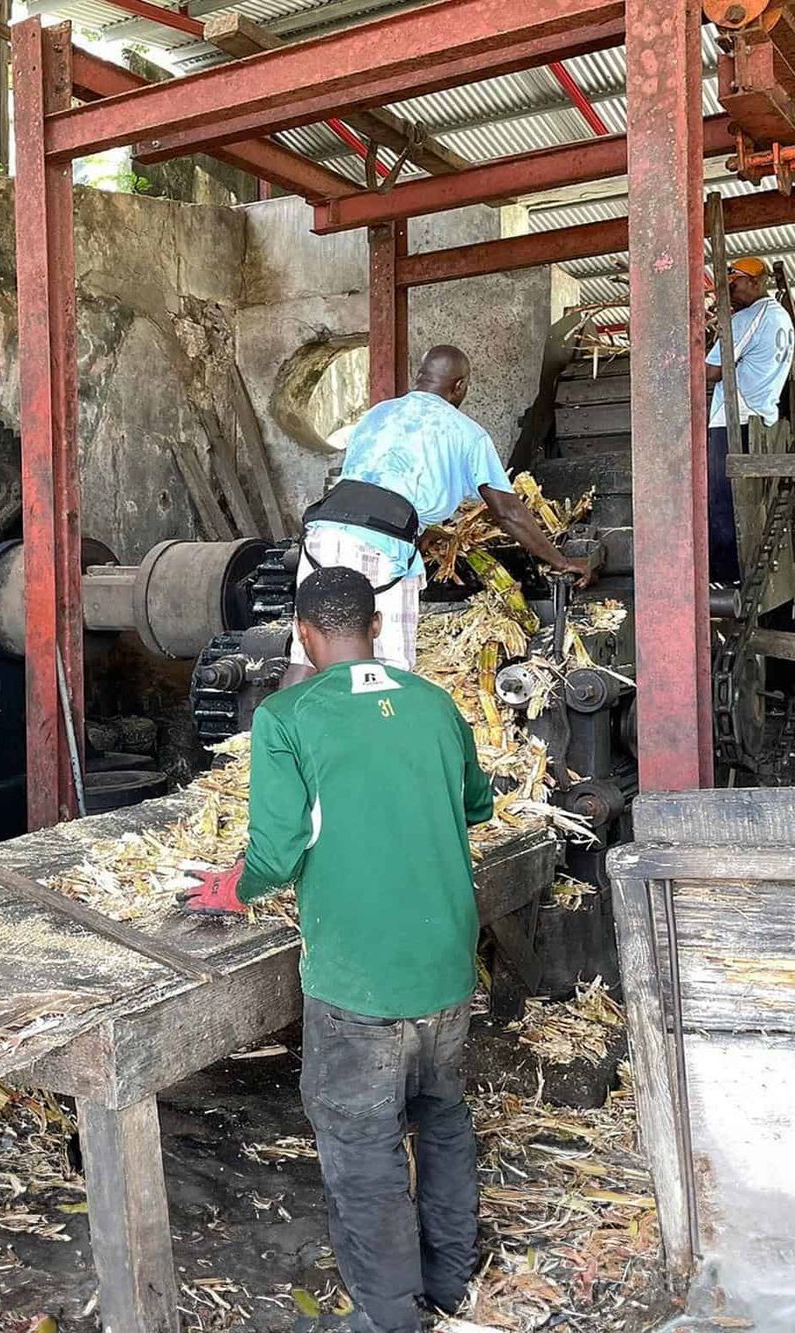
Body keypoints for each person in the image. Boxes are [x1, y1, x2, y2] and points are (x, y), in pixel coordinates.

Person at [180, 566, 495, 1333]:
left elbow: (280, 850)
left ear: (305, 636)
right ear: (377, 629)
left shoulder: (289, 717)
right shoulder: (435, 703)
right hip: (448, 969)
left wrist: (231, 888)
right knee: (442, 1117)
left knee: (364, 1150)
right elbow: (478, 804)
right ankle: (452, 1282)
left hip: (359, 983)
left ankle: (390, 1316)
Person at [284, 344, 593, 685]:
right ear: (460, 386)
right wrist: (559, 559)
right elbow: (508, 512)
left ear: (420, 377)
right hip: (380, 546)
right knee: (386, 670)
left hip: (323, 532)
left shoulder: (377, 414)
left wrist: (426, 531)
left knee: (307, 657)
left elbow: (381, 486)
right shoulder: (466, 432)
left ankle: (273, 737)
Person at [706, 256, 795, 581]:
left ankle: (724, 580)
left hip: (735, 423)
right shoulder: (782, 318)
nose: (730, 290)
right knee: (751, 508)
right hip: (763, 422)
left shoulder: (751, 318)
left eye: (734, 283)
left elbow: (711, 371)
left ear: (756, 282)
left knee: (723, 505)